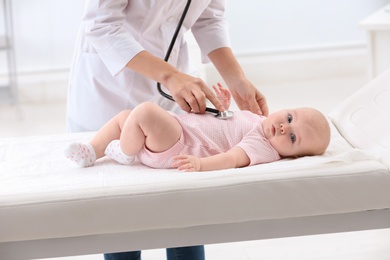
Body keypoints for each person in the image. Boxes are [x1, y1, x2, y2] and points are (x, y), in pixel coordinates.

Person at [66, 1, 269, 259]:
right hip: (111, 83)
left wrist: (237, 79)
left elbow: (209, 18)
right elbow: (101, 24)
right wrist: (170, 77)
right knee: (122, 216)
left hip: (175, 86)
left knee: (183, 209)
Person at [65, 84, 331, 171]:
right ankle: (93, 150)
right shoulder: (259, 122)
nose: (284, 127)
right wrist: (225, 106)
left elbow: (231, 158)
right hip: (180, 128)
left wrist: (202, 165)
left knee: (144, 112)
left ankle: (125, 151)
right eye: (289, 117)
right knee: (126, 116)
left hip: (179, 145)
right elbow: (228, 121)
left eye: (293, 136)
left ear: (293, 156)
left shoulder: (262, 148)